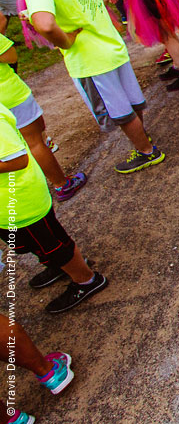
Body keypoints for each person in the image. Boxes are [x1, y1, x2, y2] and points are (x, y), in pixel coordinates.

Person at [0, 0, 163, 174]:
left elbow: (45, 23)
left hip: (89, 59)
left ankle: (146, 152)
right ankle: (145, 140)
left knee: (118, 111)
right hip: (111, 45)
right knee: (130, 100)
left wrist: (64, 41)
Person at [0, 102, 106, 317]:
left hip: (20, 202)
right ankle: (61, 266)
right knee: (34, 243)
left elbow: (18, 159)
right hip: (10, 204)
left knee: (52, 243)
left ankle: (86, 280)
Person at [0, 32, 87, 201]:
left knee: (16, 146)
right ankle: (62, 185)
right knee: (34, 142)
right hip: (10, 95)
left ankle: (32, 184)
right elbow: (10, 56)